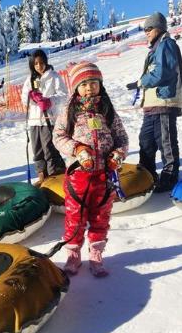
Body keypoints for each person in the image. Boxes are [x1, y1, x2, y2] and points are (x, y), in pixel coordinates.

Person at [53, 61, 129, 277]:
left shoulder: (107, 110)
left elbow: (122, 137)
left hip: (104, 176)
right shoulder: (69, 111)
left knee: (101, 216)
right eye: (84, 83)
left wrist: (118, 154)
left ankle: (96, 253)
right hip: (79, 177)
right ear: (76, 87)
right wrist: (77, 149)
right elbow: (58, 137)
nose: (89, 88)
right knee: (75, 217)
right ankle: (73, 255)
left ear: (100, 84)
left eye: (93, 82)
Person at [126, 12, 182, 192]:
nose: (146, 32)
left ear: (159, 28)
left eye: (149, 29)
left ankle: (169, 177)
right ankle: (147, 174)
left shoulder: (167, 44)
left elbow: (162, 72)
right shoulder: (156, 48)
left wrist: (141, 82)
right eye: (145, 29)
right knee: (146, 140)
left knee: (165, 141)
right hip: (152, 106)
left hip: (164, 103)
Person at [21, 49, 67, 186]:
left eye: (41, 63)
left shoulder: (54, 76)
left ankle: (55, 175)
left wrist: (49, 100)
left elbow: (64, 95)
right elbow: (24, 98)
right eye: (36, 64)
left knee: (49, 148)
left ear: (46, 62)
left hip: (49, 119)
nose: (39, 66)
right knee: (37, 149)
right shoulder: (30, 79)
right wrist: (31, 97)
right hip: (34, 120)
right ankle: (42, 175)